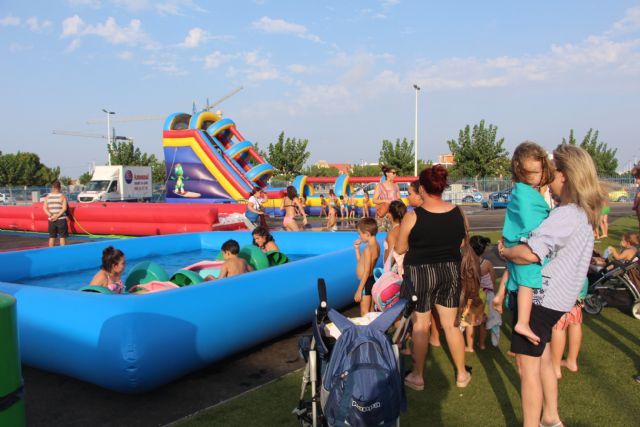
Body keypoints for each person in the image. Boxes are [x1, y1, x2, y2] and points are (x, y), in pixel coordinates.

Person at [498, 144, 606, 427]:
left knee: (527, 367)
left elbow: (531, 253)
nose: (547, 177)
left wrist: (506, 252)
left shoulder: (566, 214)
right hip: (557, 303)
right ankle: (551, 417)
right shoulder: (581, 214)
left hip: (540, 303)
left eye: (551, 170)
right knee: (545, 360)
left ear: (565, 176)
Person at [396, 165, 471, 391]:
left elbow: (400, 248)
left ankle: (418, 376)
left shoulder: (412, 216)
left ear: (422, 189)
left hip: (420, 273)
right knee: (451, 325)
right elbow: (462, 242)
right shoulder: (458, 212)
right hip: (449, 271)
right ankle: (461, 374)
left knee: (421, 325)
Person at [501, 142, 556, 346]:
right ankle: (522, 322)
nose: (538, 176)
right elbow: (533, 224)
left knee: (518, 279)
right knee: (528, 281)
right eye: (534, 172)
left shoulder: (520, 191)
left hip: (514, 241)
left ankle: (505, 301)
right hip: (524, 244)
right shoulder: (527, 196)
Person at [550, 278, 588, 379]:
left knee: (558, 326)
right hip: (580, 280)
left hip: (564, 282)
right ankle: (571, 361)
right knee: (575, 320)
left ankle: (555, 367)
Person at [470, 235, 501, 349]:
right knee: (484, 321)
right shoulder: (487, 263)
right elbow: (493, 280)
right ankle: (482, 344)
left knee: (471, 320)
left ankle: (470, 345)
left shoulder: (468, 263)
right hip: (487, 294)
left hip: (474, 295)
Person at [353, 217, 380, 316]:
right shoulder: (376, 245)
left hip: (365, 282)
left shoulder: (368, 249)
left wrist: (359, 290)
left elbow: (367, 270)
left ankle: (365, 331)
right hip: (371, 280)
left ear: (367, 234)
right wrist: (357, 249)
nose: (359, 237)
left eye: (360, 234)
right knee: (371, 310)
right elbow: (362, 263)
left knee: (364, 313)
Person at [373, 165, 401, 231]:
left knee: (393, 235)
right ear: (387, 173)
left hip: (393, 215)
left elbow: (399, 199)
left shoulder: (396, 186)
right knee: (381, 234)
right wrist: (385, 200)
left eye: (395, 173)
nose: (395, 175)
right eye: (393, 173)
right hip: (383, 215)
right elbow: (374, 200)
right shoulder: (380, 186)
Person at [384, 200, 407, 275]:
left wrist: (385, 274)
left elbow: (390, 259)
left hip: (397, 272)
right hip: (407, 267)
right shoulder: (405, 228)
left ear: (390, 215)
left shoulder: (392, 233)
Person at [43, 180, 68, 247]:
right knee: (62, 237)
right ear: (59, 188)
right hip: (61, 219)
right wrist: (57, 216)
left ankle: (51, 252)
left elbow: (45, 208)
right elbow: (64, 208)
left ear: (52, 187)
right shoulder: (62, 196)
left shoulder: (47, 196)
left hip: (51, 219)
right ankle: (63, 252)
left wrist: (51, 215)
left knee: (52, 237)